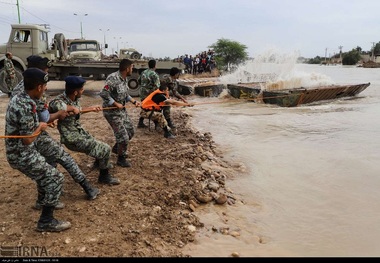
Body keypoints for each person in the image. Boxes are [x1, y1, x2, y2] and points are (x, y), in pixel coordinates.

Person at [12, 55, 100, 207]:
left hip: (31, 134)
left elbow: (39, 117)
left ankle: (43, 199)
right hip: (31, 138)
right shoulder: (30, 93)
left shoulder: (20, 89)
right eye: (45, 70)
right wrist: (54, 117)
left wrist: (45, 120)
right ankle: (87, 188)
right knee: (63, 157)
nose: (47, 75)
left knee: (50, 162)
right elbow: (40, 120)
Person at [4, 68, 71, 232]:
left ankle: (42, 201)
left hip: (23, 151)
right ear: (39, 87)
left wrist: (40, 124)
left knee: (47, 171)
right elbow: (27, 139)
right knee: (56, 178)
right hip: (21, 154)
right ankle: (46, 221)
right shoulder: (25, 105)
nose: (46, 89)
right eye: (45, 86)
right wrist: (40, 127)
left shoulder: (21, 98)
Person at [49, 76, 120, 185]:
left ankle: (99, 162)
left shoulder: (74, 99)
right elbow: (54, 105)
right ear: (75, 92)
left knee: (95, 141)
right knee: (106, 149)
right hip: (71, 138)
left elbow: (78, 111)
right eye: (81, 89)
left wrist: (91, 109)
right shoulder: (59, 100)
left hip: (78, 132)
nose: (83, 91)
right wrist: (71, 108)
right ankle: (104, 177)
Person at [99, 59, 141, 168]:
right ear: (127, 69)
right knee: (123, 137)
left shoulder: (124, 79)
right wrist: (114, 103)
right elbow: (103, 93)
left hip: (121, 111)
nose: (132, 69)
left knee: (130, 131)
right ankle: (121, 159)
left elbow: (125, 95)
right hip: (111, 112)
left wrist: (134, 101)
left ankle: (117, 148)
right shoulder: (113, 78)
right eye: (131, 67)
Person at [137, 59, 160, 128]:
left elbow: (139, 81)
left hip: (142, 93)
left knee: (144, 107)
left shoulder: (143, 72)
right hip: (150, 95)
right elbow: (157, 86)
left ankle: (140, 122)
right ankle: (156, 124)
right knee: (153, 108)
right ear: (155, 65)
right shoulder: (154, 74)